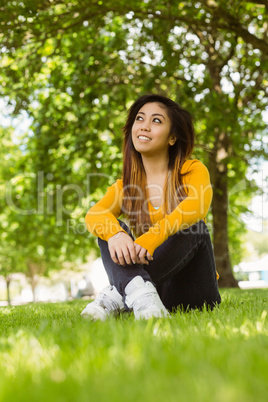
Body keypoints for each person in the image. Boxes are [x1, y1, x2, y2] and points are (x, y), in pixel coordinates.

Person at [81, 94, 221, 321]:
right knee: (108, 229)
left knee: (195, 227)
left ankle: (119, 293)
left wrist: (153, 237)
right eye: (139, 119)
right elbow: (94, 214)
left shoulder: (192, 170)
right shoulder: (125, 187)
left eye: (156, 121)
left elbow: (197, 206)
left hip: (196, 290)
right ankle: (139, 292)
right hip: (156, 290)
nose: (144, 126)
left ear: (172, 137)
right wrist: (116, 234)